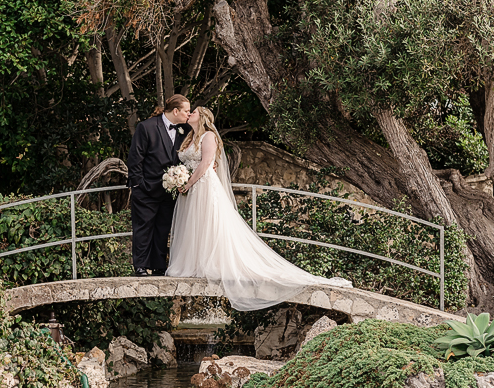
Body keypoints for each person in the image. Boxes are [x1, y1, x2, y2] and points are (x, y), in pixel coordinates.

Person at [166, 107, 352, 311]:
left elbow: (207, 163)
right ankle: (194, 265)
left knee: (210, 224)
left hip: (203, 186)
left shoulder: (208, 135)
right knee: (196, 225)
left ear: (203, 117)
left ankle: (209, 264)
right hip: (191, 189)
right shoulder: (189, 137)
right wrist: (180, 177)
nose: (190, 113)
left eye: (194, 111)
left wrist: (189, 182)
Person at [127, 94, 191, 276]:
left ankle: (158, 266)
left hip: (170, 191)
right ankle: (140, 266)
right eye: (186, 110)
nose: (189, 114)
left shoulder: (185, 129)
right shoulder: (146, 127)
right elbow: (135, 158)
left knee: (163, 228)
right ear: (176, 111)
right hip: (146, 189)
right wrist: (138, 185)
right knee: (143, 228)